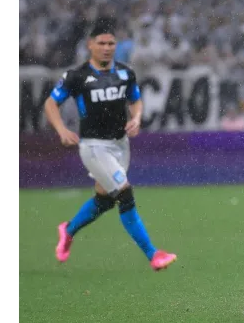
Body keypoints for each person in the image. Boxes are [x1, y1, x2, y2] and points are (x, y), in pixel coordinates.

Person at [44, 18, 177, 271]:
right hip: (94, 147)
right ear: (90, 45)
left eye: (111, 43)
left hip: (120, 144)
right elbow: (50, 103)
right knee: (124, 193)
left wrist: (136, 118)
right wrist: (61, 129)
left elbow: (136, 100)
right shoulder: (77, 76)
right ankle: (153, 254)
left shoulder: (125, 73)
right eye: (101, 43)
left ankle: (68, 230)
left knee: (104, 200)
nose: (107, 47)